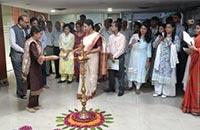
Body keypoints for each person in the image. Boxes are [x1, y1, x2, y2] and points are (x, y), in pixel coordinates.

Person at [22, 26, 58, 113]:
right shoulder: (32, 43)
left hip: (37, 66)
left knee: (38, 85)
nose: (41, 36)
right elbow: (36, 57)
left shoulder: (36, 41)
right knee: (34, 86)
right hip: (32, 66)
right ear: (34, 33)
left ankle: (35, 104)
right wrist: (50, 57)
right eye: (40, 34)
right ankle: (30, 105)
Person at [152, 22, 180, 98]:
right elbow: (154, 45)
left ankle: (166, 92)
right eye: (166, 27)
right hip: (160, 59)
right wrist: (159, 40)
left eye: (169, 27)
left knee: (167, 76)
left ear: (173, 28)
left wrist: (169, 42)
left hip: (169, 60)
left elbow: (177, 48)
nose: (167, 29)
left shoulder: (175, 37)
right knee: (159, 74)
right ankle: (158, 91)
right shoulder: (161, 36)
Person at [77, 19, 102, 99]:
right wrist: (80, 51)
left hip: (93, 57)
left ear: (90, 26)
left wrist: (89, 51)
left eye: (85, 27)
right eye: (83, 27)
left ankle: (91, 91)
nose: (84, 29)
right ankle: (82, 91)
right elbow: (83, 47)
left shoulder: (97, 36)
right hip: (85, 57)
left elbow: (99, 49)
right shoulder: (85, 36)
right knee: (84, 74)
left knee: (92, 74)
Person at [181, 21, 200, 116]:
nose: (196, 30)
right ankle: (192, 106)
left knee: (197, 84)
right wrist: (191, 47)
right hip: (194, 61)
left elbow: (197, 49)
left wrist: (195, 49)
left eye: (198, 28)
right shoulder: (196, 37)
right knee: (192, 82)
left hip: (198, 63)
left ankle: (197, 108)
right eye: (196, 28)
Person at [127, 23, 152, 94]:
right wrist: (132, 42)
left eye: (144, 29)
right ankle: (130, 84)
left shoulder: (148, 39)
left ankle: (138, 87)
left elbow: (149, 50)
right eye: (141, 28)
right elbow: (129, 46)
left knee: (141, 70)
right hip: (134, 55)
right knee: (132, 69)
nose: (142, 30)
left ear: (147, 30)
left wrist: (148, 60)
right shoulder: (135, 36)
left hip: (142, 56)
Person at [10, 15, 29, 99]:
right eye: (26, 22)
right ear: (20, 21)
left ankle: (23, 91)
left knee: (24, 74)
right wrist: (23, 50)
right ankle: (21, 93)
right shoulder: (12, 29)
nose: (27, 23)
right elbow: (13, 44)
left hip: (24, 56)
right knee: (19, 75)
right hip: (16, 56)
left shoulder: (26, 29)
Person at [104, 21, 126, 96]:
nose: (111, 27)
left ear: (117, 27)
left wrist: (114, 56)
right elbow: (108, 46)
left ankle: (121, 89)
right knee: (111, 73)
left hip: (119, 57)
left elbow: (121, 49)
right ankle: (111, 87)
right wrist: (109, 54)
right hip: (111, 57)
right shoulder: (111, 37)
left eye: (112, 26)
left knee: (120, 74)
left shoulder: (122, 37)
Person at [173, 13, 187, 95]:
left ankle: (178, 84)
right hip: (171, 49)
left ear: (179, 18)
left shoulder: (182, 28)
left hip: (179, 50)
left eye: (176, 18)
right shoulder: (172, 26)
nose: (174, 19)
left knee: (179, 67)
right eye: (173, 18)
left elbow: (181, 39)